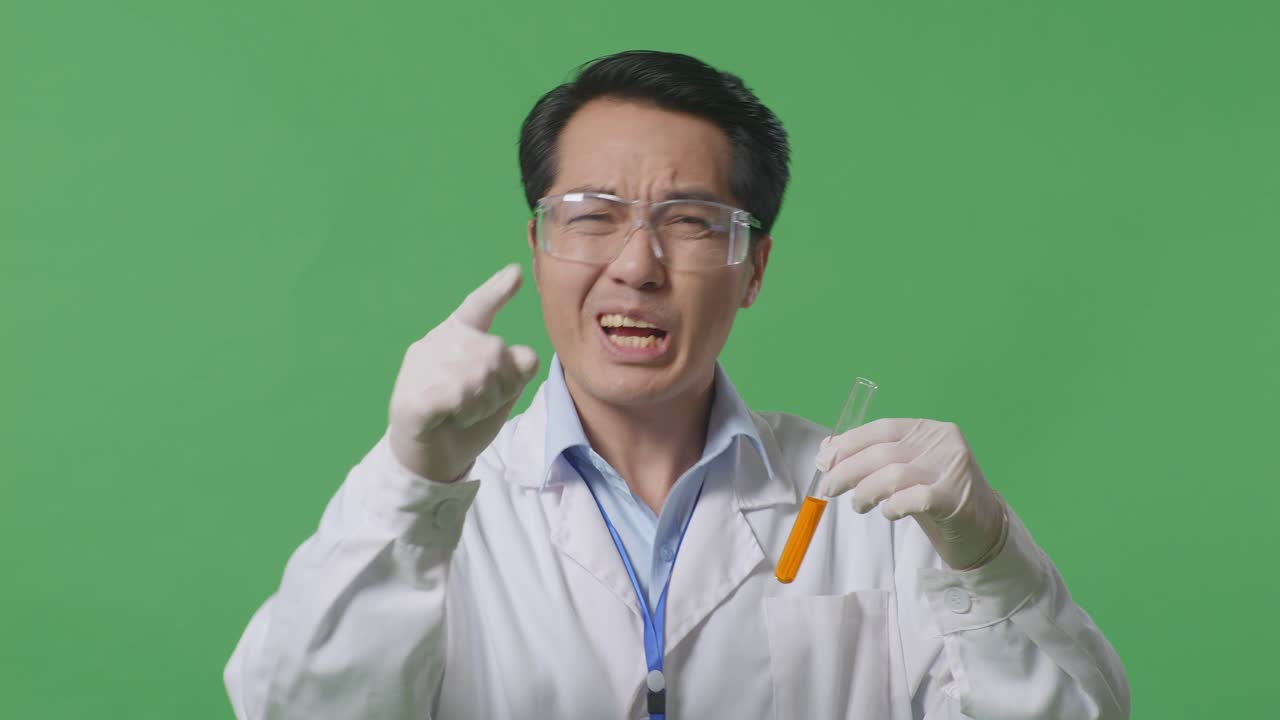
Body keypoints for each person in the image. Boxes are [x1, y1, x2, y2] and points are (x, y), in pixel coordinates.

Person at [224, 50, 1129, 719]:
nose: (637, 264)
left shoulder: (867, 508)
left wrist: (987, 557)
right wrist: (410, 483)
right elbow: (295, 707)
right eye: (592, 217)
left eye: (692, 222)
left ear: (753, 267)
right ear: (538, 246)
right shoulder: (445, 506)